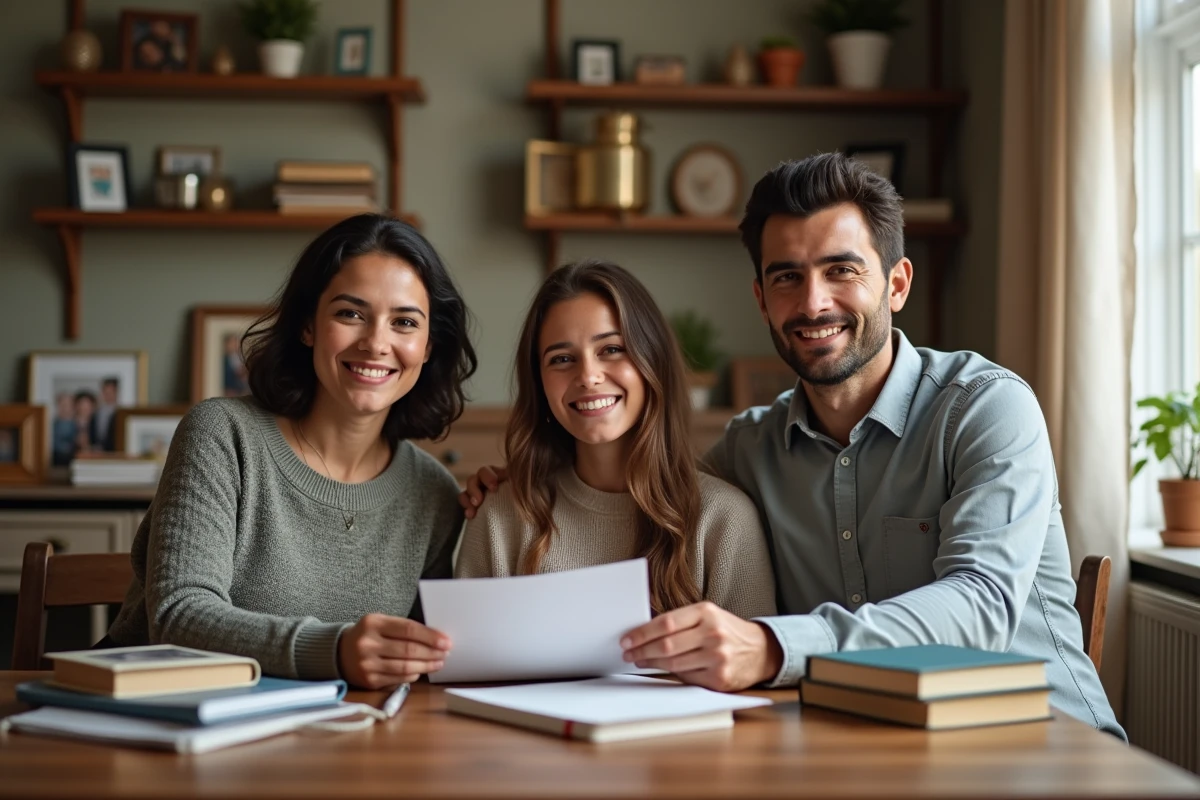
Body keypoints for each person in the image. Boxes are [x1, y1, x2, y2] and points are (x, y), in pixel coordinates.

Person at [464, 154, 1124, 738]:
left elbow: (981, 607)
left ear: (896, 284)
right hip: (866, 751)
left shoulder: (985, 408)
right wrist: (525, 479)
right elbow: (646, 491)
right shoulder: (748, 451)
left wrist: (774, 647)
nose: (813, 302)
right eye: (786, 277)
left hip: (1041, 741)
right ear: (761, 298)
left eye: (841, 270)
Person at [105, 213, 477, 689]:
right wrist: (334, 651)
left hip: (331, 739)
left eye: (404, 322)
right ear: (307, 326)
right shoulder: (222, 435)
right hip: (157, 719)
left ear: (427, 347)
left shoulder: (434, 494)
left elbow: (425, 658)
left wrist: (507, 503)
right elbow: (178, 618)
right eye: (351, 314)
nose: (376, 343)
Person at [455, 260, 775, 620]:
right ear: (540, 385)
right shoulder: (501, 515)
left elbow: (751, 671)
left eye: (611, 349)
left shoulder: (724, 520)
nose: (588, 376)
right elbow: (468, 668)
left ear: (652, 361)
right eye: (561, 358)